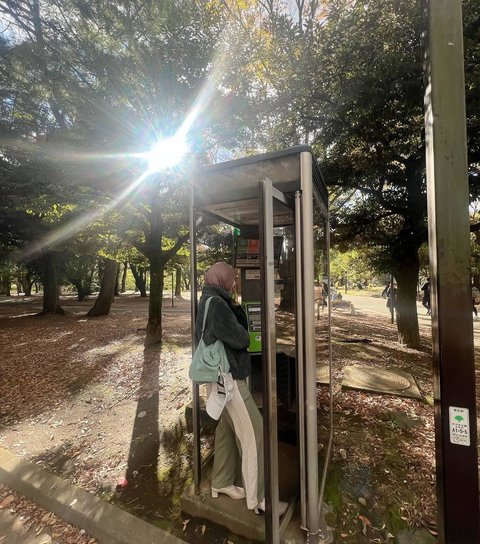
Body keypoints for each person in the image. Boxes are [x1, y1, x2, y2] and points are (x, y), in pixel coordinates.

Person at [194, 262, 287, 515]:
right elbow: (242, 338)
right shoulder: (220, 305)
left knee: (226, 430)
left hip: (217, 380)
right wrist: (239, 312)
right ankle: (260, 499)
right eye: (232, 279)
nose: (235, 283)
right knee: (254, 435)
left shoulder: (207, 299)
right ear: (223, 280)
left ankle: (221, 482)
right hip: (230, 381)